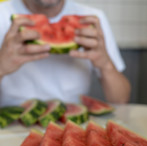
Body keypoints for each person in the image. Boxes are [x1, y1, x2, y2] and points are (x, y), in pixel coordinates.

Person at [0, 0, 131, 106]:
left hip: (73, 123)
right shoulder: (3, 14)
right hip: (12, 122)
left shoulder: (91, 19)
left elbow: (120, 100)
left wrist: (105, 64)